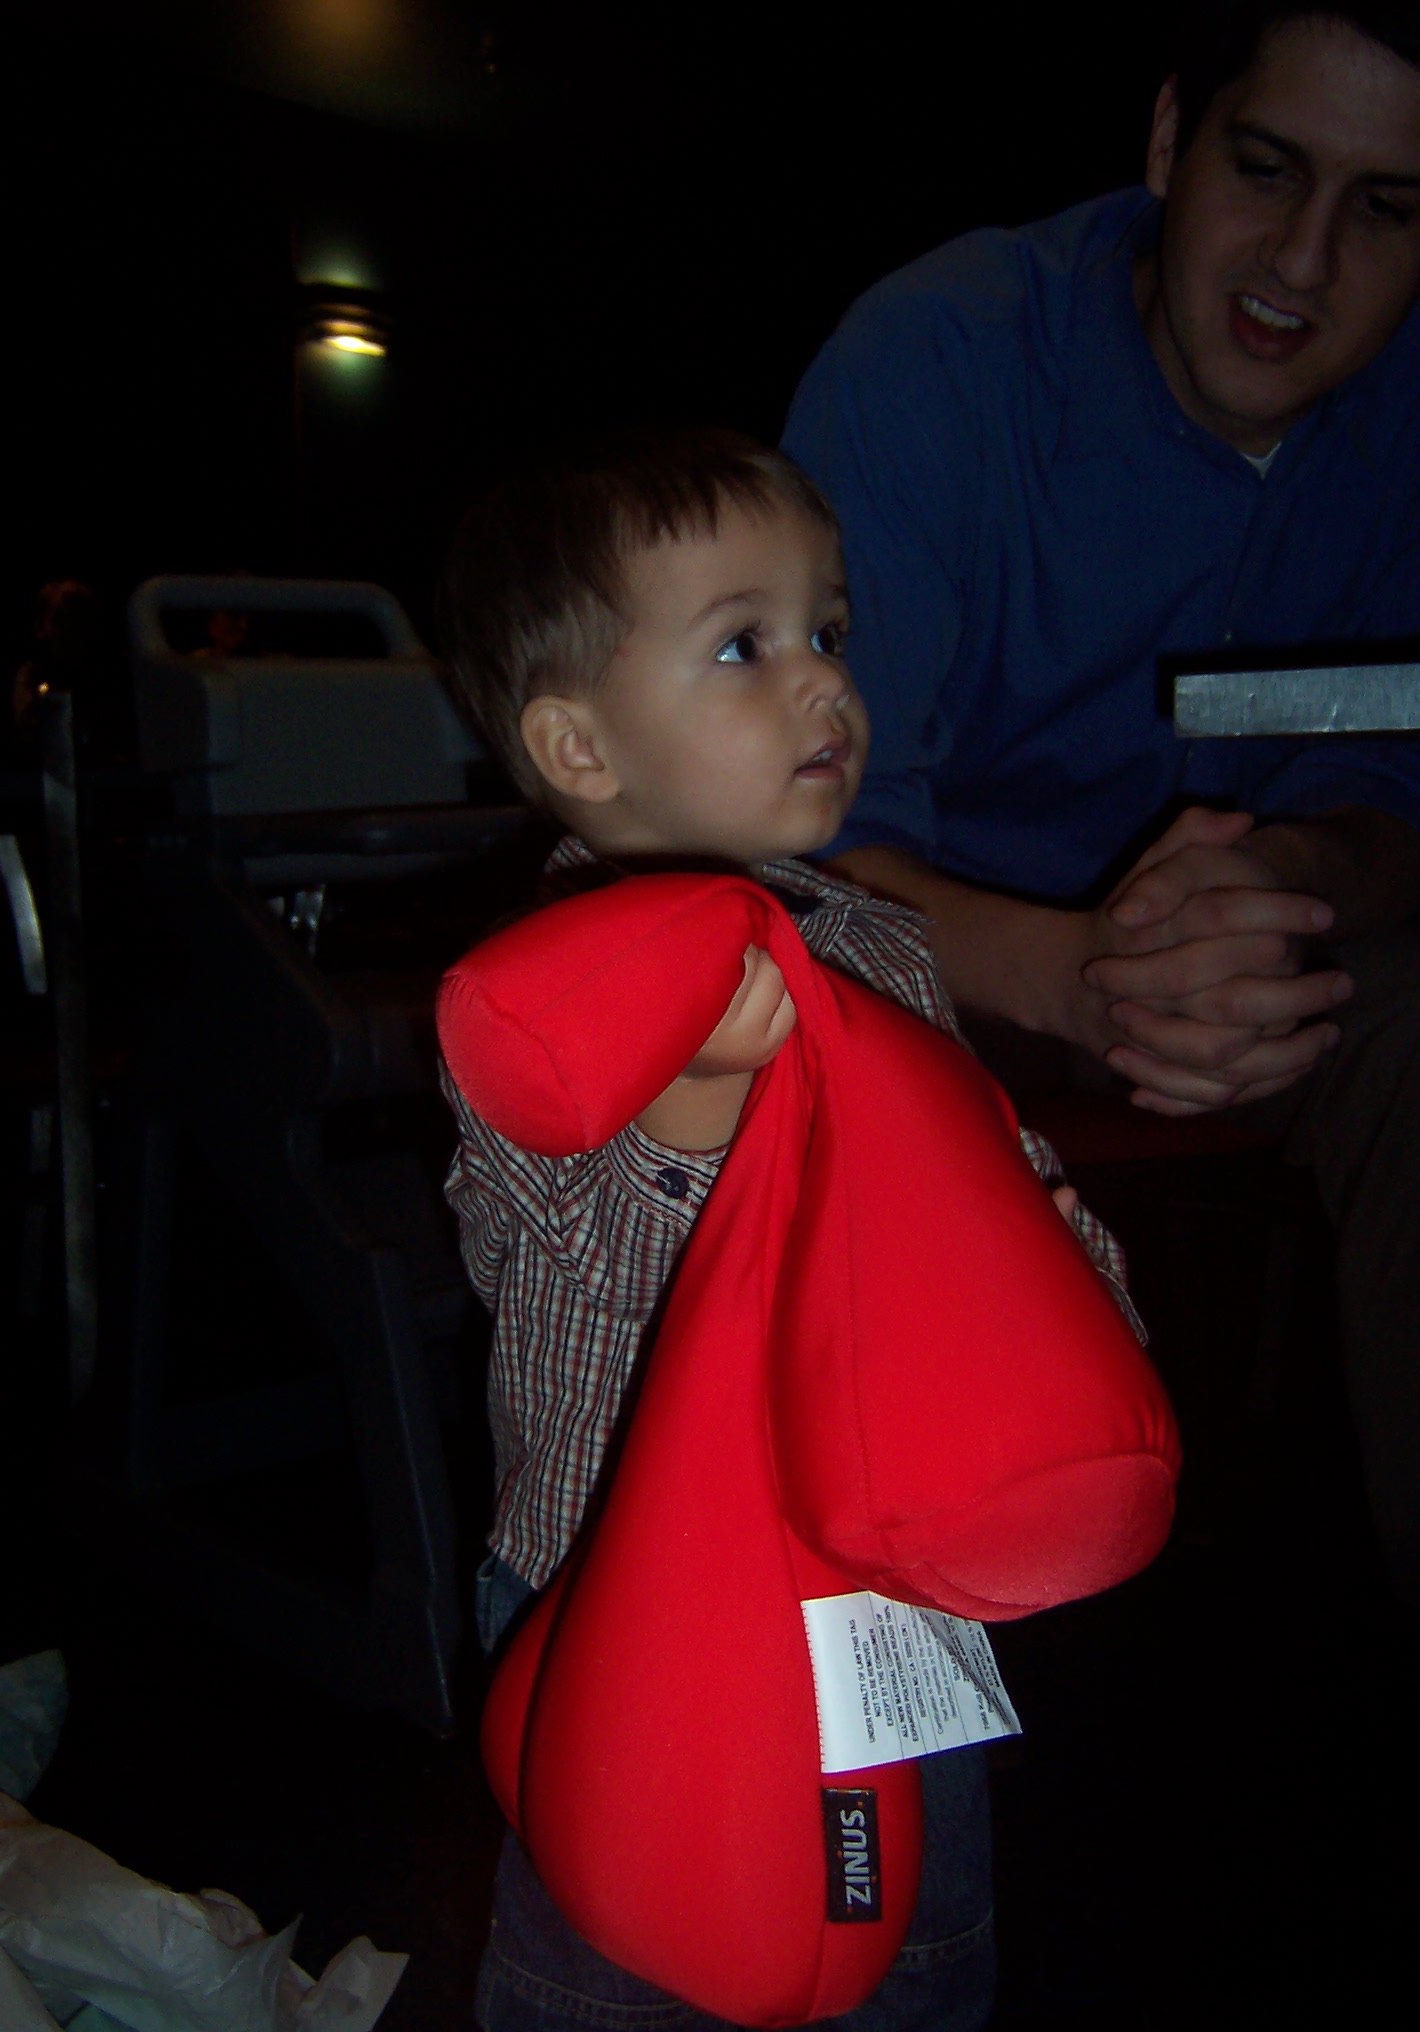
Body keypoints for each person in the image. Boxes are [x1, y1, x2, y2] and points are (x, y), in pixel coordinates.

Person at [435, 426, 1141, 2032]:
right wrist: (691, 1116)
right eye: (742, 646)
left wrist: (1070, 1292)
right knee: (616, 1966)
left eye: (827, 629)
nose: (823, 680)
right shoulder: (545, 992)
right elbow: (542, 1263)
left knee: (914, 1950)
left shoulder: (880, 949)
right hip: (622, 1598)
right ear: (580, 745)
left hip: (880, 1604)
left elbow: (987, 1192)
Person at [782, 0, 1420, 1612]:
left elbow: (1392, 774)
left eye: (1386, 208)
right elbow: (801, 853)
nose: (1303, 262)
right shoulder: (937, 364)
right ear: (1168, 143)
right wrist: (1086, 974)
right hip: (936, 963)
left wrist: (1293, 878)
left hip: (1253, 975)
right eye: (1265, 169)